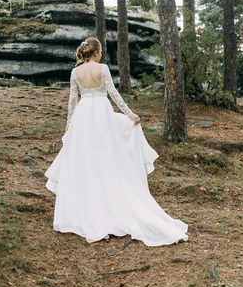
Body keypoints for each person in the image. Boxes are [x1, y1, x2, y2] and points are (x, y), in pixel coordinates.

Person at [45, 37, 188, 247]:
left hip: (83, 117)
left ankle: (85, 209)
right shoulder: (102, 69)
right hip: (102, 114)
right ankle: (109, 203)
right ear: (97, 52)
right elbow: (114, 95)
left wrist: (69, 125)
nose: (101, 55)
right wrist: (130, 114)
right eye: (100, 52)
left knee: (84, 160)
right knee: (107, 157)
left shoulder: (75, 72)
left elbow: (72, 100)